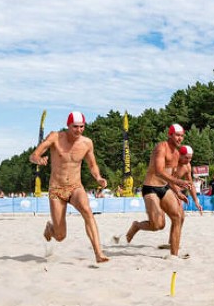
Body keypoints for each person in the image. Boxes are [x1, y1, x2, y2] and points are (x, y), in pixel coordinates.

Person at [29, 112, 109, 262]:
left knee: (87, 211)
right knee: (60, 236)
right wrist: (38, 159)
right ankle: (50, 228)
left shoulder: (87, 143)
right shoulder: (55, 137)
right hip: (56, 189)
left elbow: (92, 165)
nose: (78, 130)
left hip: (75, 187)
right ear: (68, 125)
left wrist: (98, 177)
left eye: (81, 127)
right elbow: (33, 155)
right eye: (75, 127)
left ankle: (98, 253)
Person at [124, 125, 194, 256]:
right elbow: (159, 171)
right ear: (170, 135)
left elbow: (169, 177)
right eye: (177, 135)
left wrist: (177, 192)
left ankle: (174, 255)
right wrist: (178, 182)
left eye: (182, 135)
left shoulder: (177, 153)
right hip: (150, 188)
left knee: (178, 217)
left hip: (164, 188)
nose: (180, 138)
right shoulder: (161, 148)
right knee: (158, 225)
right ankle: (137, 226)